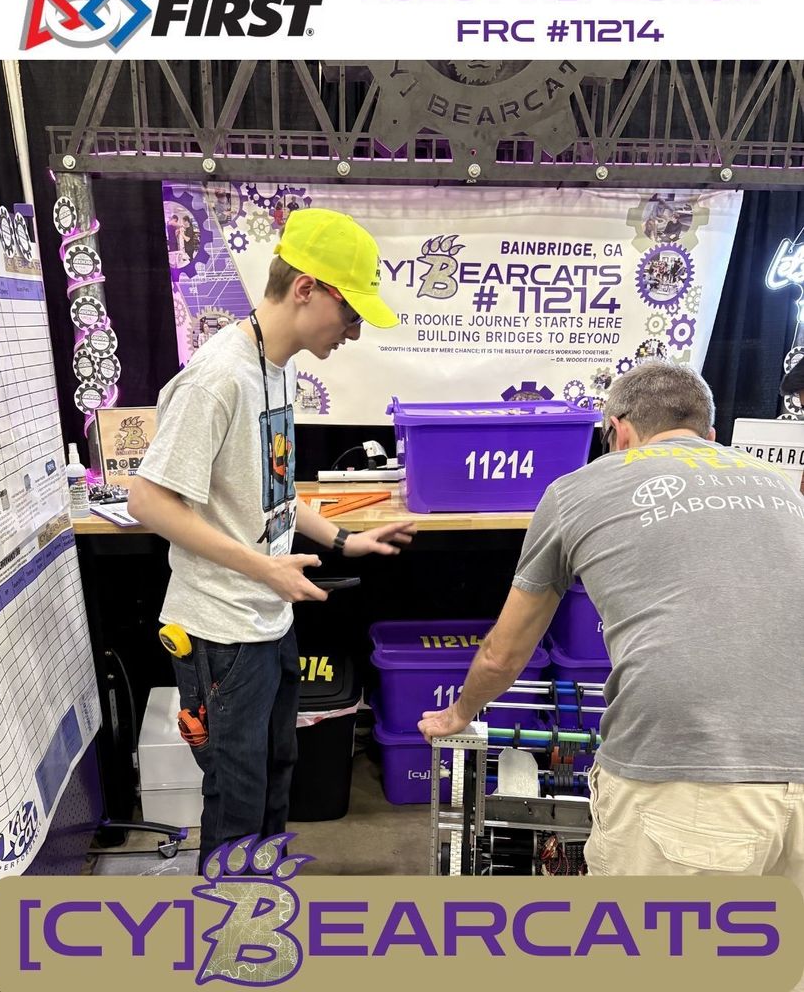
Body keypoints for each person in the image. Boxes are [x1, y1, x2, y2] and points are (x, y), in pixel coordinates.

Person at [419, 361, 803, 903]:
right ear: (710, 435)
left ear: (618, 432)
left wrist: (459, 713)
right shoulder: (777, 484)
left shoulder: (576, 490)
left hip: (686, 770)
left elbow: (504, 654)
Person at [128, 208, 416, 869]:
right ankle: (228, 923)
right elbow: (148, 500)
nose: (354, 330)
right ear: (306, 288)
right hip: (220, 633)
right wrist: (263, 569)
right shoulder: (217, 377)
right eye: (351, 313)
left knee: (276, 774)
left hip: (266, 620)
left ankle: (259, 900)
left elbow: (274, 491)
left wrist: (344, 540)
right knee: (236, 797)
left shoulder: (276, 367)